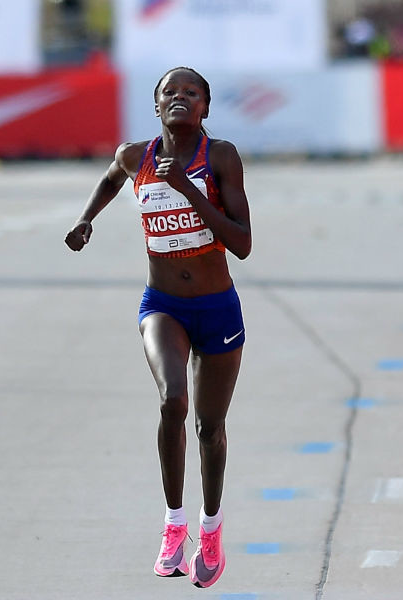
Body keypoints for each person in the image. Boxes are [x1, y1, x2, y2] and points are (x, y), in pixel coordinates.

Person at [65, 67, 251, 588]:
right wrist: (87, 218)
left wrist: (185, 189)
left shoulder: (221, 157)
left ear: (205, 108)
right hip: (163, 304)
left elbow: (242, 243)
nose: (180, 97)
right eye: (170, 91)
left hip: (217, 308)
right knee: (173, 400)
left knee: (209, 428)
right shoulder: (134, 157)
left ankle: (210, 530)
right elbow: (111, 177)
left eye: (192, 93)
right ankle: (174, 524)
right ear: (156, 105)